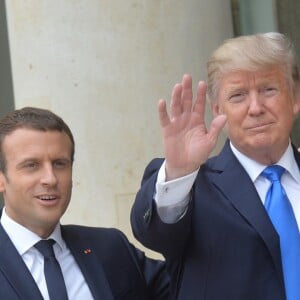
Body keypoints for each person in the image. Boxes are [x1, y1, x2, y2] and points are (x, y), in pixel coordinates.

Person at [130, 32, 300, 300]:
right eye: (238, 96)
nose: (255, 108)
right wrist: (179, 170)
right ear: (218, 109)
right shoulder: (193, 186)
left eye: (268, 89)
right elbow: (155, 235)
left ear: (295, 98)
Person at [0, 106, 170, 300]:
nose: (51, 178)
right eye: (31, 165)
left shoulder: (111, 248)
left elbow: (192, 285)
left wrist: (179, 172)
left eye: (59, 163)